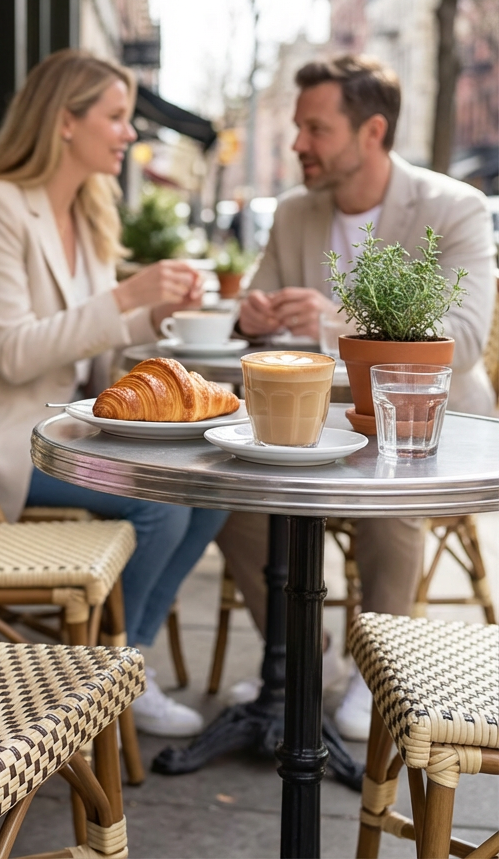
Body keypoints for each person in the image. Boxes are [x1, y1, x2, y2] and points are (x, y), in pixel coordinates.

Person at [0, 49, 229, 737]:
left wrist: (155, 314)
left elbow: (90, 339)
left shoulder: (89, 210)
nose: (129, 132)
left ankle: (132, 657)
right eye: (117, 116)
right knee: (159, 506)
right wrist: (130, 295)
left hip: (60, 429)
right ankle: (108, 676)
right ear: (65, 122)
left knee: (210, 492)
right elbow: (15, 353)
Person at [220, 54, 497, 739]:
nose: (297, 145)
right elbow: (261, 326)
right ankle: (298, 657)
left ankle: (375, 668)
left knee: (389, 497)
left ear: (371, 132)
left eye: (315, 129)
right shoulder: (293, 213)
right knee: (229, 503)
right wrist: (252, 317)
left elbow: (460, 339)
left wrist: (330, 315)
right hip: (312, 422)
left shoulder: (452, 207)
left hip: (427, 426)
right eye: (297, 127)